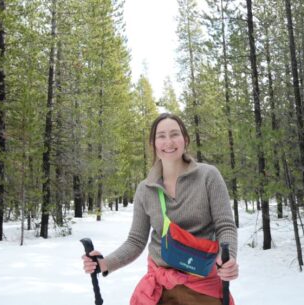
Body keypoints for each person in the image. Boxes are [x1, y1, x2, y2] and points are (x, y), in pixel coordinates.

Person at [82, 113, 238, 305]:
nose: (168, 141)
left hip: (203, 287)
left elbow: (225, 226)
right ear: (153, 144)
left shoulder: (208, 176)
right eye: (161, 136)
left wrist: (228, 259)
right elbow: (136, 241)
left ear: (185, 139)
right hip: (159, 289)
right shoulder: (145, 189)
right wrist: (105, 263)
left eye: (174, 134)